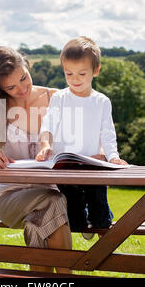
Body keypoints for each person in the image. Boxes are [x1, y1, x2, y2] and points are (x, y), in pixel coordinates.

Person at [0, 46, 72, 273]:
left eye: (24, 78)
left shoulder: (55, 98)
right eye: (11, 87)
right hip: (8, 195)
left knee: (39, 220)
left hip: (48, 189)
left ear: (27, 66)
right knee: (54, 201)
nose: (22, 89)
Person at [36, 36, 128, 236]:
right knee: (75, 222)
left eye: (81, 73)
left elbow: (107, 133)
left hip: (93, 166)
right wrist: (45, 145)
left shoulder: (101, 102)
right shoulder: (59, 98)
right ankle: (82, 218)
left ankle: (100, 218)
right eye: (69, 73)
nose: (74, 79)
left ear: (96, 71)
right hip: (65, 168)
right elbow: (48, 124)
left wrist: (112, 157)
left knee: (101, 219)